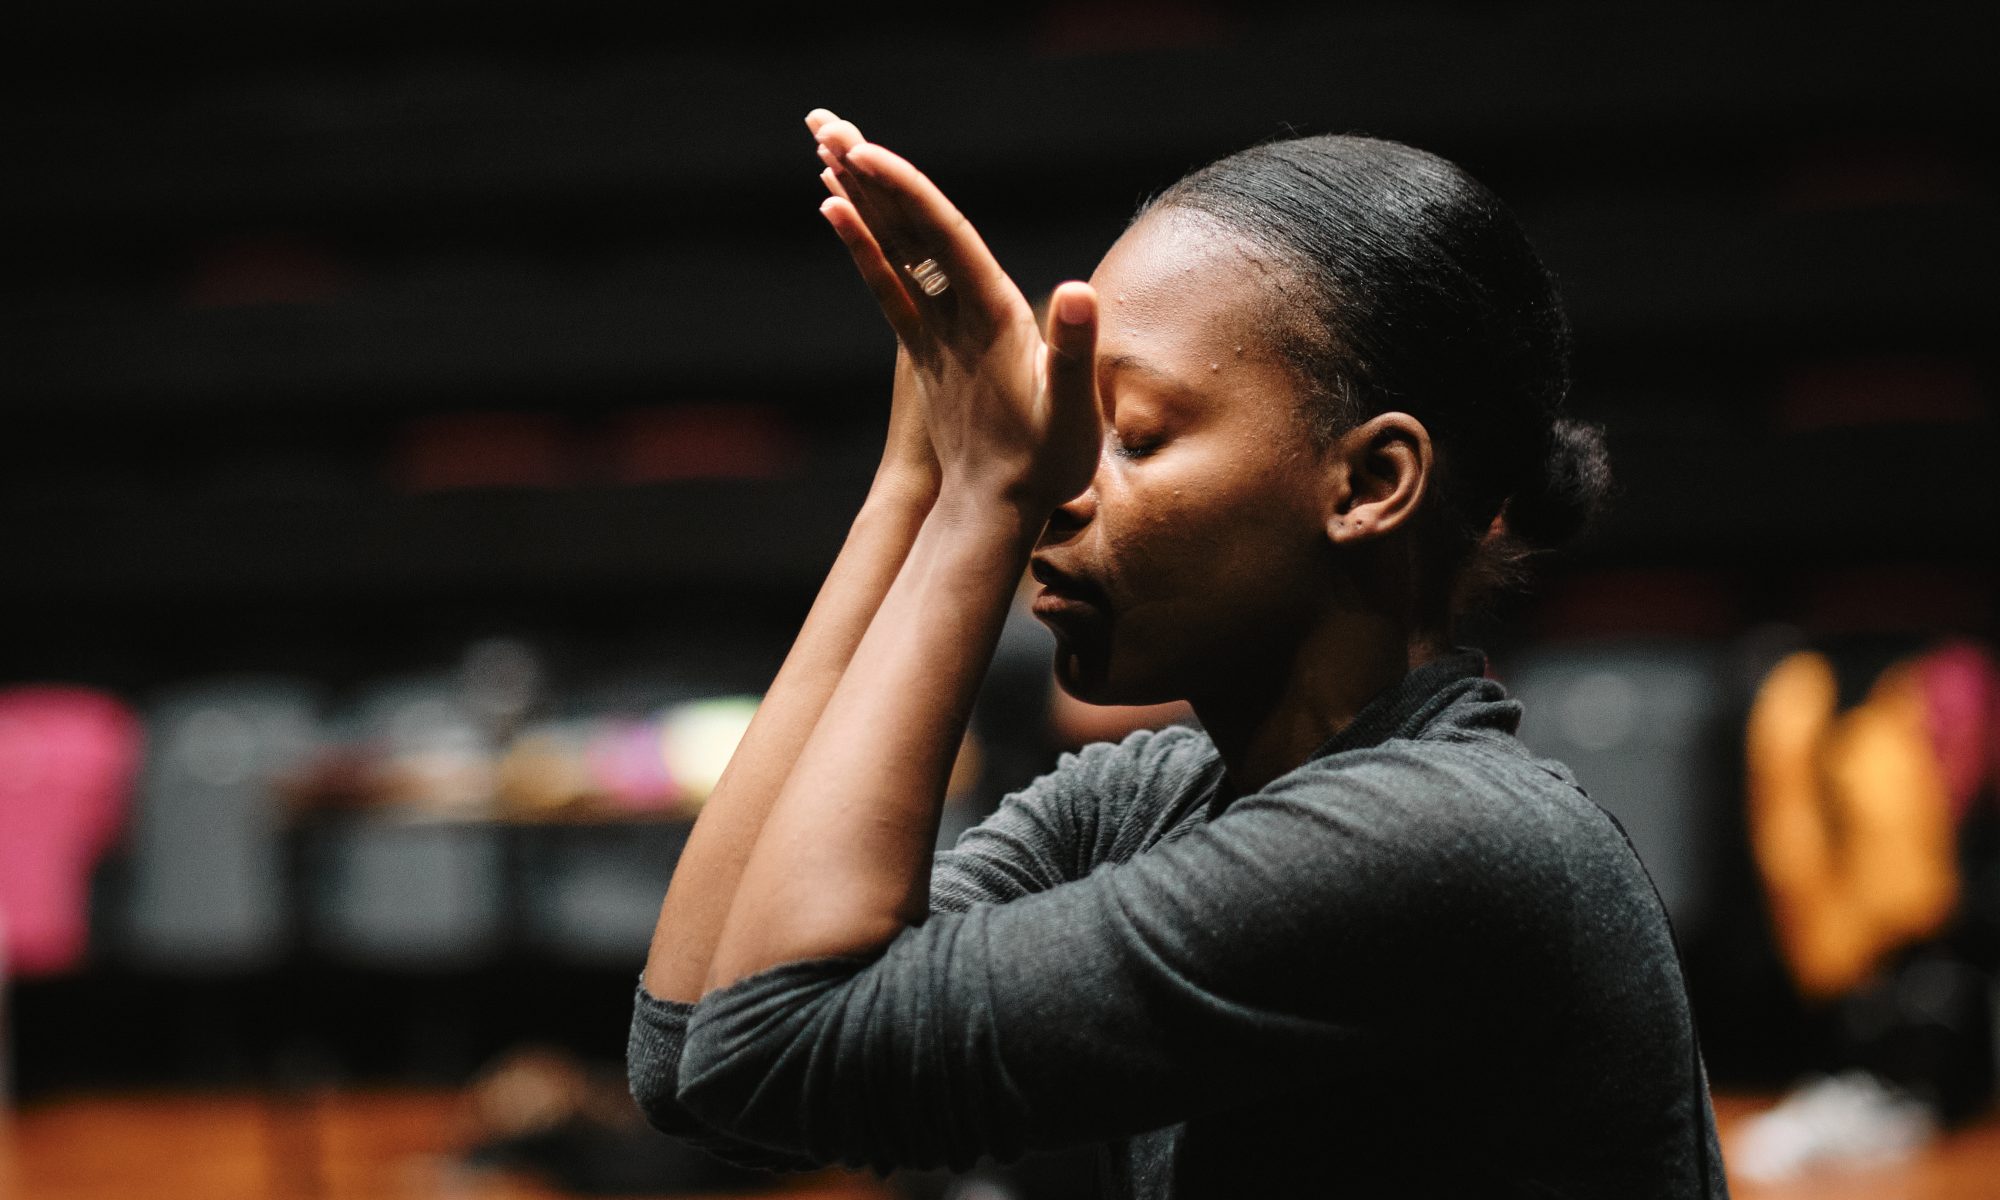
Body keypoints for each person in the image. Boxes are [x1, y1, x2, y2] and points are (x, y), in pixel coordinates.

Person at [627, 109, 1729, 1199]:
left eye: (1132, 434)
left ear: (1366, 484)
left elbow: (772, 1045)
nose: (1059, 485)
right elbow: (689, 1059)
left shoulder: (1449, 838)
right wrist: (914, 480)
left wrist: (980, 498)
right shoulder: (1139, 803)